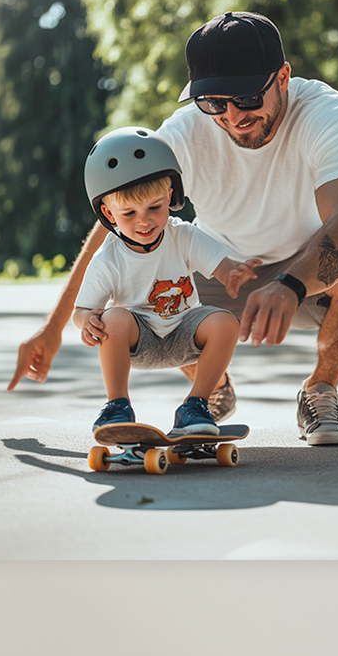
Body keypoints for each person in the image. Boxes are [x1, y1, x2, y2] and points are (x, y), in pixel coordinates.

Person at [8, 12, 338, 447]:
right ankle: (211, 390)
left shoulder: (327, 113)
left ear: (283, 77)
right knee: (138, 276)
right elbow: (114, 229)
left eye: (247, 97)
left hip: (306, 268)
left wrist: (290, 284)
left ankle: (320, 390)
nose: (233, 115)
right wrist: (53, 328)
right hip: (215, 269)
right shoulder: (183, 134)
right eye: (213, 103)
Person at [72, 126, 256, 438]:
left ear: (169, 197)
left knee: (225, 323)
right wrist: (87, 321)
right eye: (129, 213)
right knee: (113, 317)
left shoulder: (182, 235)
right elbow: (82, 310)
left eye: (154, 208)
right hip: (138, 340)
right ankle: (117, 406)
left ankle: (195, 406)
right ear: (108, 213)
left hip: (185, 332)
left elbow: (221, 266)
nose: (144, 221)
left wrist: (232, 274)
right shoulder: (108, 258)